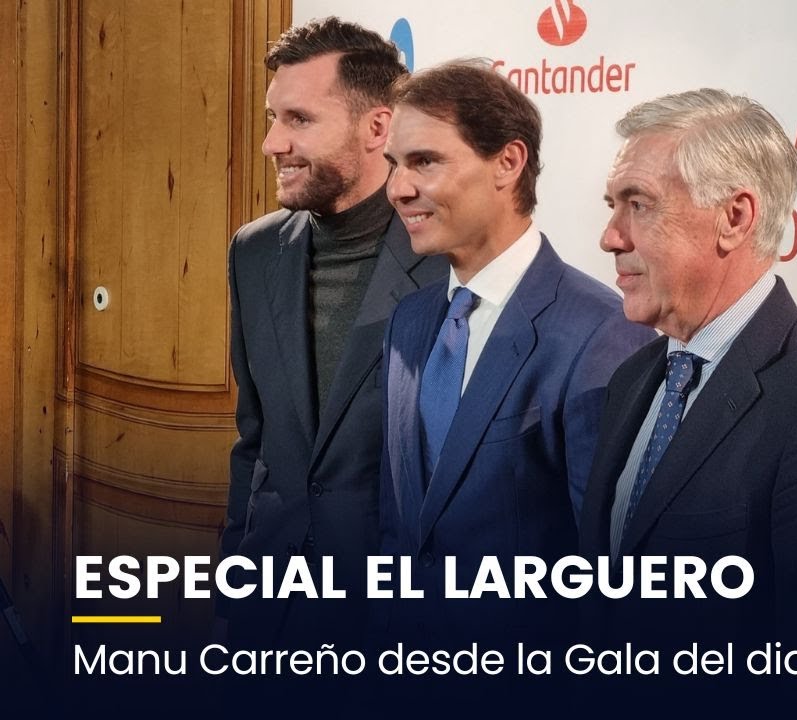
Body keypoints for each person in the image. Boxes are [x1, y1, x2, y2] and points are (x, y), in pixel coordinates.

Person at [579, 89, 797, 657]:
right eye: (614, 205)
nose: (611, 235)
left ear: (733, 218)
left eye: (640, 204)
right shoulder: (633, 379)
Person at [377, 60, 653, 647]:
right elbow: (399, 525)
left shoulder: (603, 334)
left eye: (424, 161)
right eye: (393, 164)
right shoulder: (408, 320)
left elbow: (609, 575)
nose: (397, 188)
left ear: (508, 162)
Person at [219, 17, 448, 644]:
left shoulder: (451, 261)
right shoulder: (253, 250)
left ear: (378, 128)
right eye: (273, 118)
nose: (271, 143)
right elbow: (255, 440)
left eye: (298, 119)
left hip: (394, 619)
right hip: (268, 607)